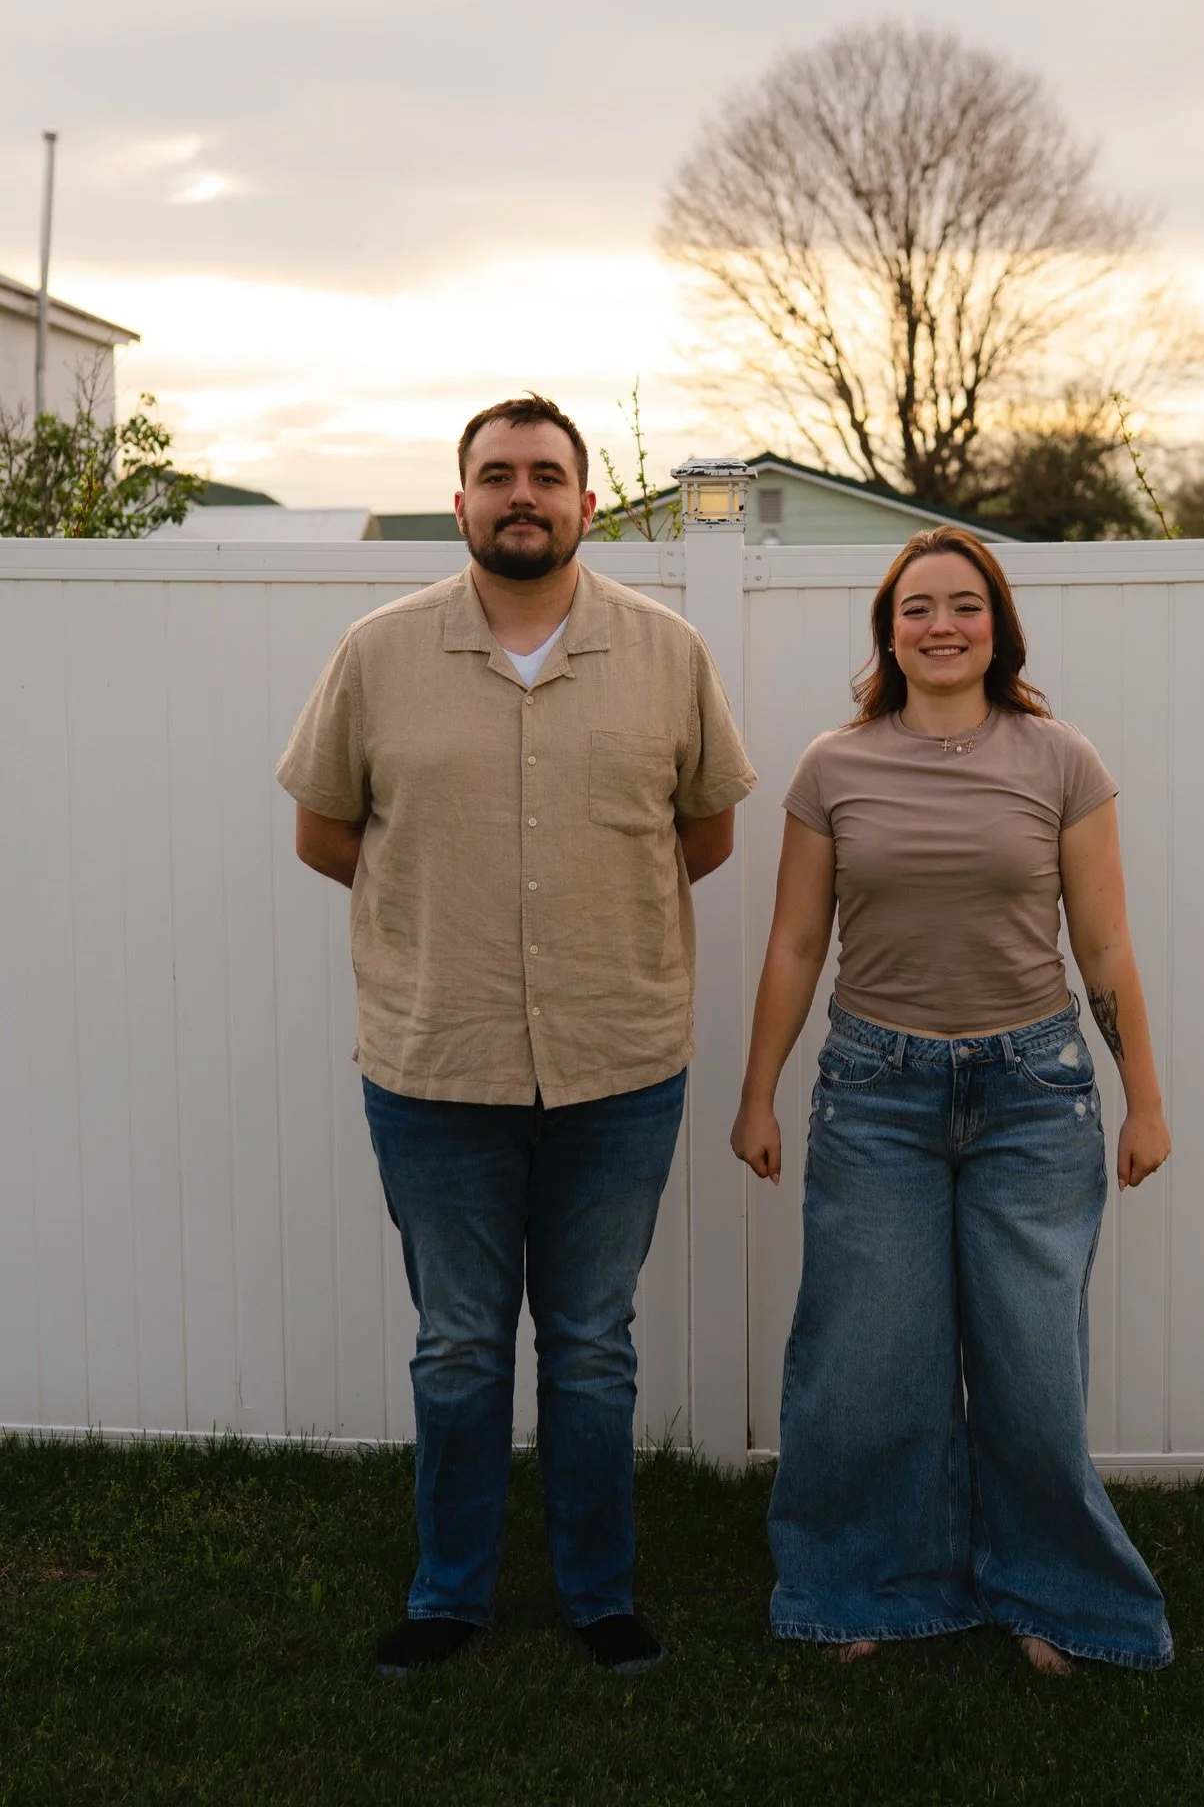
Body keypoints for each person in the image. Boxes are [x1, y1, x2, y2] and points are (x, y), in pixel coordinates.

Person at [278, 393, 755, 1677]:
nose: (522, 494)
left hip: (620, 1063)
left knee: (594, 1349)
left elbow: (702, 833)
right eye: (498, 475)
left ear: (589, 503)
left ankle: (601, 1593)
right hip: (436, 1064)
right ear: (463, 499)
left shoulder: (668, 655)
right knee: (459, 1345)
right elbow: (327, 832)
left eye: (548, 474)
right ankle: (452, 1595)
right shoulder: (376, 654)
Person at [731, 525, 1173, 1673]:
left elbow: (1107, 943)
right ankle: (865, 1588)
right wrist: (758, 1098)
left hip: (1034, 1093)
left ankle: (1056, 1598)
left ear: (997, 625)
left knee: (1033, 1364)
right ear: (889, 629)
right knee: (870, 1361)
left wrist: (1147, 1103)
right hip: (876, 1093)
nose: (941, 624)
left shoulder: (1060, 758)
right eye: (917, 606)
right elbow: (792, 945)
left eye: (964, 605)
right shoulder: (833, 767)